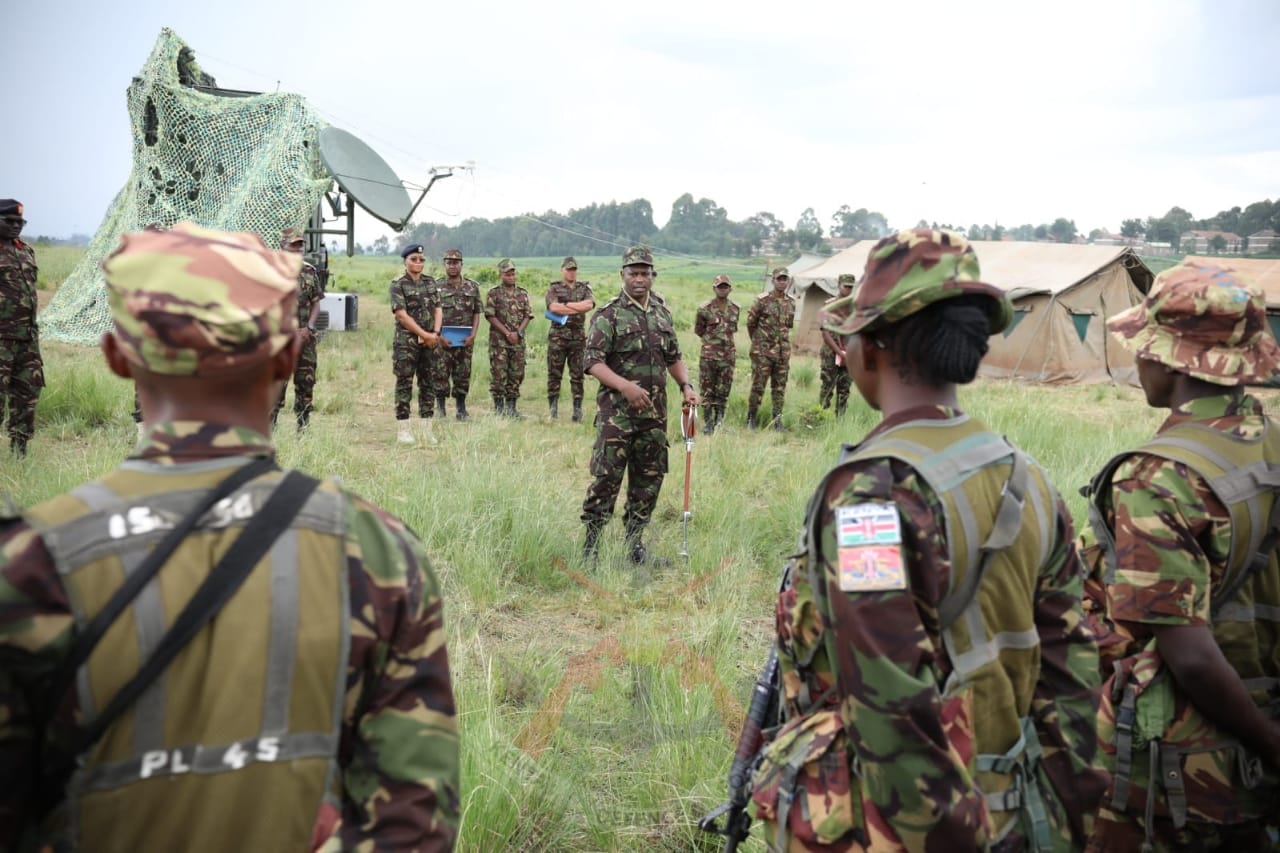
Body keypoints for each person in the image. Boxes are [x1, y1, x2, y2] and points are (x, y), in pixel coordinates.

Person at [0, 222, 459, 851]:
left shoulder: (28, 564)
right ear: (290, 356)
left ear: (116, 356)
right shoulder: (374, 551)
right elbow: (416, 824)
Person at [750, 230, 1105, 851]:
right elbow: (1072, 671)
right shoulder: (1022, 472)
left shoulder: (873, 493)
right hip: (1022, 814)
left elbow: (892, 715)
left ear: (874, 346)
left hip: (920, 828)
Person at [1079, 259, 1280, 852]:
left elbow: (1187, 653)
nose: (1138, 356)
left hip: (1185, 764)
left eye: (1146, 342)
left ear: (1170, 355)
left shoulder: (1158, 475)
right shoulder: (1268, 442)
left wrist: (1269, 743)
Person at [580, 247, 698, 565]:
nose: (639, 278)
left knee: (648, 482)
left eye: (645, 273)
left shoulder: (661, 313)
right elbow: (591, 362)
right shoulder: (609, 314)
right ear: (623, 275)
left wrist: (685, 385)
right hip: (617, 417)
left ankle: (635, 547)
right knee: (606, 479)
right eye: (633, 273)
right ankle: (590, 549)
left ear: (652, 276)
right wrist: (624, 386)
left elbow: (673, 357)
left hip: (653, 418)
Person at [271, 226, 325, 433]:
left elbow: (316, 303)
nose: (297, 250)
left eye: (300, 246)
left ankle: (303, 426)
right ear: (282, 247)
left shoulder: (309, 271)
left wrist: (308, 328)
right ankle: (271, 427)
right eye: (293, 246)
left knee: (306, 382)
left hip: (306, 338)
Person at [0, 199, 43, 457]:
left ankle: (19, 451)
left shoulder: (25, 250)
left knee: (27, 394)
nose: (16, 227)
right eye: (10, 222)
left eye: (20, 222)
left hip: (27, 339)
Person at [390, 243, 442, 445]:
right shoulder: (398, 284)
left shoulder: (430, 283)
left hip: (430, 341)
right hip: (406, 344)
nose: (418, 263)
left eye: (421, 260)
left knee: (428, 383)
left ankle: (426, 429)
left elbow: (438, 309)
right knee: (404, 383)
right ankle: (403, 430)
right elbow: (401, 316)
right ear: (405, 261)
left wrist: (435, 333)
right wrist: (423, 334)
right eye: (414, 259)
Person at [433, 248, 481, 422]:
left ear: (462, 264)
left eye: (456, 263)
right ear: (444, 264)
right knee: (440, 373)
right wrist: (438, 336)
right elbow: (431, 313)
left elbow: (477, 312)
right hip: (442, 339)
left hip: (464, 339)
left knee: (463, 374)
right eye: (449, 263)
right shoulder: (436, 287)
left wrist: (473, 335)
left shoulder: (472, 287)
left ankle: (461, 409)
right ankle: (441, 409)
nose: (452, 266)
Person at [545, 256, 595, 422]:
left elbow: (589, 305)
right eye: (568, 270)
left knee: (577, 374)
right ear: (562, 270)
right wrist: (576, 307)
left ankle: (577, 410)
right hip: (558, 337)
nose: (571, 273)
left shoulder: (584, 288)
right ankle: (553, 410)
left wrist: (565, 307)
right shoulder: (555, 288)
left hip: (578, 338)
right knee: (554, 374)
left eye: (574, 270)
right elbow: (553, 307)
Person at [746, 267, 794, 431]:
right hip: (763, 353)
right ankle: (751, 418)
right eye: (779, 279)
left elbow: (788, 326)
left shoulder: (791, 302)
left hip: (782, 354)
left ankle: (777, 421)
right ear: (773, 280)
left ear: (788, 281)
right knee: (758, 386)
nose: (782, 282)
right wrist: (759, 343)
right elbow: (751, 324)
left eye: (785, 279)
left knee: (779, 388)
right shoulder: (762, 300)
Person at [484, 258, 532, 418]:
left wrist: (518, 333)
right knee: (499, 374)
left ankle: (512, 409)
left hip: (518, 341)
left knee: (516, 373)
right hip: (499, 342)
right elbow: (490, 316)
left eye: (513, 273)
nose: (511, 276)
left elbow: (527, 315)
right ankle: (499, 409)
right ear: (501, 275)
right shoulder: (494, 293)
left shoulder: (523, 294)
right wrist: (507, 333)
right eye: (507, 274)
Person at [693, 274, 740, 435]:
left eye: (725, 286)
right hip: (709, 356)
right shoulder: (704, 308)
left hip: (728, 357)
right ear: (714, 288)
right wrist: (711, 344)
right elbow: (699, 330)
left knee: (724, 390)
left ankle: (720, 420)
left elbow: (732, 330)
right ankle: (708, 422)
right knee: (707, 389)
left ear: (730, 289)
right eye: (720, 286)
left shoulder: (735, 308)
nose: (723, 289)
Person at [817, 273, 856, 417]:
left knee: (844, 389)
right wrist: (840, 353)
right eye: (846, 287)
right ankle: (821, 417)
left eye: (851, 287)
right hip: (831, 353)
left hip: (850, 353)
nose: (848, 290)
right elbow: (825, 333)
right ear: (839, 285)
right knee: (827, 386)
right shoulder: (829, 305)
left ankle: (840, 421)